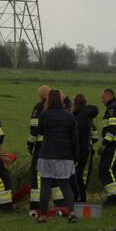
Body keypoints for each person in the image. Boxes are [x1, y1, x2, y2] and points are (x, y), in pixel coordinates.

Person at [35, 89, 79, 223]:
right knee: (65, 186)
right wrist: (76, 157)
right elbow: (74, 139)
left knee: (45, 186)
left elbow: (40, 131)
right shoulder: (69, 116)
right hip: (65, 155)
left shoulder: (44, 115)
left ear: (49, 100)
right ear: (61, 100)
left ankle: (42, 216)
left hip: (47, 154)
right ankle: (71, 213)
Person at [98, 88, 116, 206]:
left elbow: (112, 128)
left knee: (105, 169)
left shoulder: (112, 108)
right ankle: (112, 197)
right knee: (112, 170)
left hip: (114, 144)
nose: (102, 100)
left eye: (102, 97)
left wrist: (104, 144)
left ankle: (115, 198)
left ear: (108, 95)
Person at [71, 93, 99, 203]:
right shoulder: (88, 117)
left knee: (77, 176)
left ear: (75, 103)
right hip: (87, 149)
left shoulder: (76, 117)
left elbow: (75, 138)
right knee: (81, 176)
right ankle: (81, 198)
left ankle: (79, 199)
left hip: (79, 151)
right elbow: (95, 137)